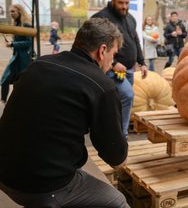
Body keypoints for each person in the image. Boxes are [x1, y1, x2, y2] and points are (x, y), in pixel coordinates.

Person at [0, 18, 129, 207]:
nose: (112, 63)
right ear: (102, 51)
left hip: (3, 171)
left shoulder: (39, 64)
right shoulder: (102, 86)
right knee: (117, 201)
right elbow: (115, 157)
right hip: (41, 187)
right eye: (113, 54)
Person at [92, 0, 147, 138]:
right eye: (120, 3)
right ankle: (121, 136)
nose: (124, 6)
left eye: (127, 3)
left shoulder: (130, 18)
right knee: (127, 96)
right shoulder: (101, 18)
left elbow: (135, 40)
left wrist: (142, 62)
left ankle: (110, 132)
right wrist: (113, 63)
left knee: (117, 102)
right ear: (113, 0)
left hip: (128, 71)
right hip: (109, 70)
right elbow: (95, 44)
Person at [1, 4, 32, 103]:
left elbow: (29, 42)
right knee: (5, 79)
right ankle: (4, 100)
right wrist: (12, 44)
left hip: (24, 58)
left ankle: (17, 103)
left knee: (20, 82)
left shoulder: (26, 24)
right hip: (16, 57)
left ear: (20, 11)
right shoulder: (16, 24)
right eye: (10, 12)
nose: (11, 14)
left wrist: (13, 44)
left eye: (13, 11)